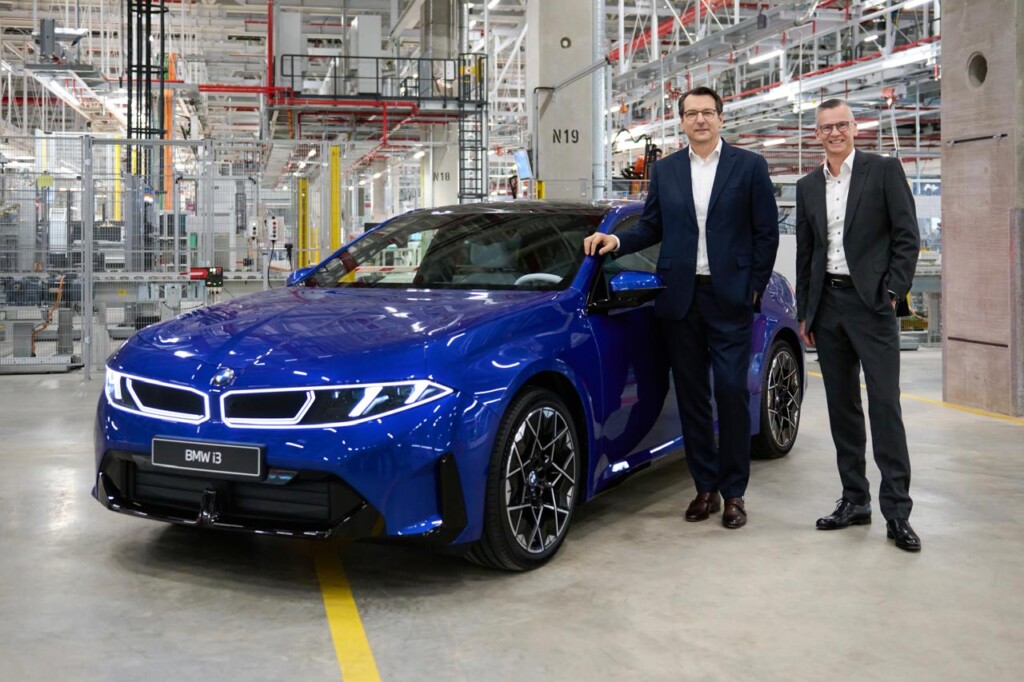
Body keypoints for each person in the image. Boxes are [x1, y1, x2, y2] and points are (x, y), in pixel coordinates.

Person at [583, 86, 779, 529]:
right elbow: (651, 225)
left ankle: (734, 493)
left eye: (707, 112)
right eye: (691, 114)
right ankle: (704, 487)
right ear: (682, 122)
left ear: (721, 118)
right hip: (680, 298)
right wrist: (615, 240)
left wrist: (753, 288)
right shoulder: (667, 170)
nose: (700, 120)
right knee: (691, 397)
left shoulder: (749, 166)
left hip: (729, 296)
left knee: (730, 391)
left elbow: (766, 232)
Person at [795, 98, 921, 552]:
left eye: (841, 125)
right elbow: (806, 252)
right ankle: (854, 499)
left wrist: (893, 291)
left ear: (854, 127)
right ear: (817, 135)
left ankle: (898, 512)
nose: (834, 133)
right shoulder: (807, 185)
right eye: (826, 127)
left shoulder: (882, 171)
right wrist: (806, 311)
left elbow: (907, 235)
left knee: (885, 405)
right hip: (827, 306)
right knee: (842, 407)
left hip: (872, 305)